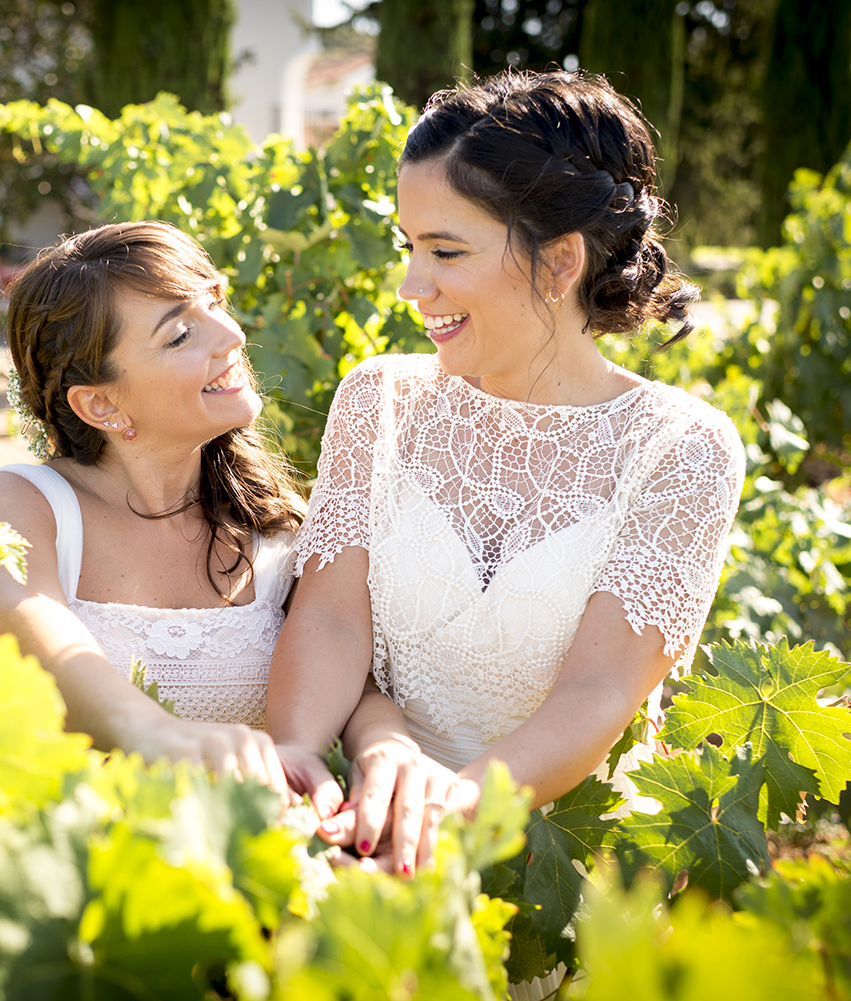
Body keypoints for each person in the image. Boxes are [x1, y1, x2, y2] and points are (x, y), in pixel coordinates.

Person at [267, 71, 747, 880]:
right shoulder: (377, 399)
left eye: (446, 251)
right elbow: (332, 624)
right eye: (408, 248)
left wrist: (442, 819)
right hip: (361, 827)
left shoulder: (682, 446)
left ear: (559, 262)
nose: (412, 288)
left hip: (557, 866)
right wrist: (299, 765)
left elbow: (596, 693)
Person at [0, 221, 309, 791]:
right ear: (100, 403)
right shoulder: (21, 508)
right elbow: (45, 648)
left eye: (215, 303)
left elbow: (359, 686)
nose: (230, 336)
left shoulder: (277, 526)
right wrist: (159, 736)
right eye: (180, 335)